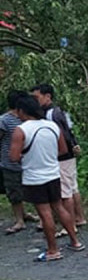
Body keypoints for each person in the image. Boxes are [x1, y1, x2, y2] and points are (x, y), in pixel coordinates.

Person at [8, 95, 83, 261]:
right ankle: (75, 241)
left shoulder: (21, 130)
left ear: (21, 111)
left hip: (34, 177)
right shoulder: (51, 126)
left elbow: (13, 157)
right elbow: (63, 150)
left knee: (45, 213)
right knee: (59, 207)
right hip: (53, 174)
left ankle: (53, 250)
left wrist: (28, 157)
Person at [30, 84, 86, 229]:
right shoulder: (58, 111)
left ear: (47, 96)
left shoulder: (50, 114)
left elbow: (61, 135)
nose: (35, 100)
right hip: (68, 153)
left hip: (62, 155)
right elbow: (69, 131)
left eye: (37, 97)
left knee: (65, 192)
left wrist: (59, 151)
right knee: (72, 187)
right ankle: (79, 218)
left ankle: (70, 224)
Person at [0, 90, 27, 234]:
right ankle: (19, 219)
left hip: (28, 162)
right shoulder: (4, 120)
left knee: (31, 191)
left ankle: (26, 215)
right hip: (10, 163)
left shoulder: (27, 118)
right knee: (14, 192)